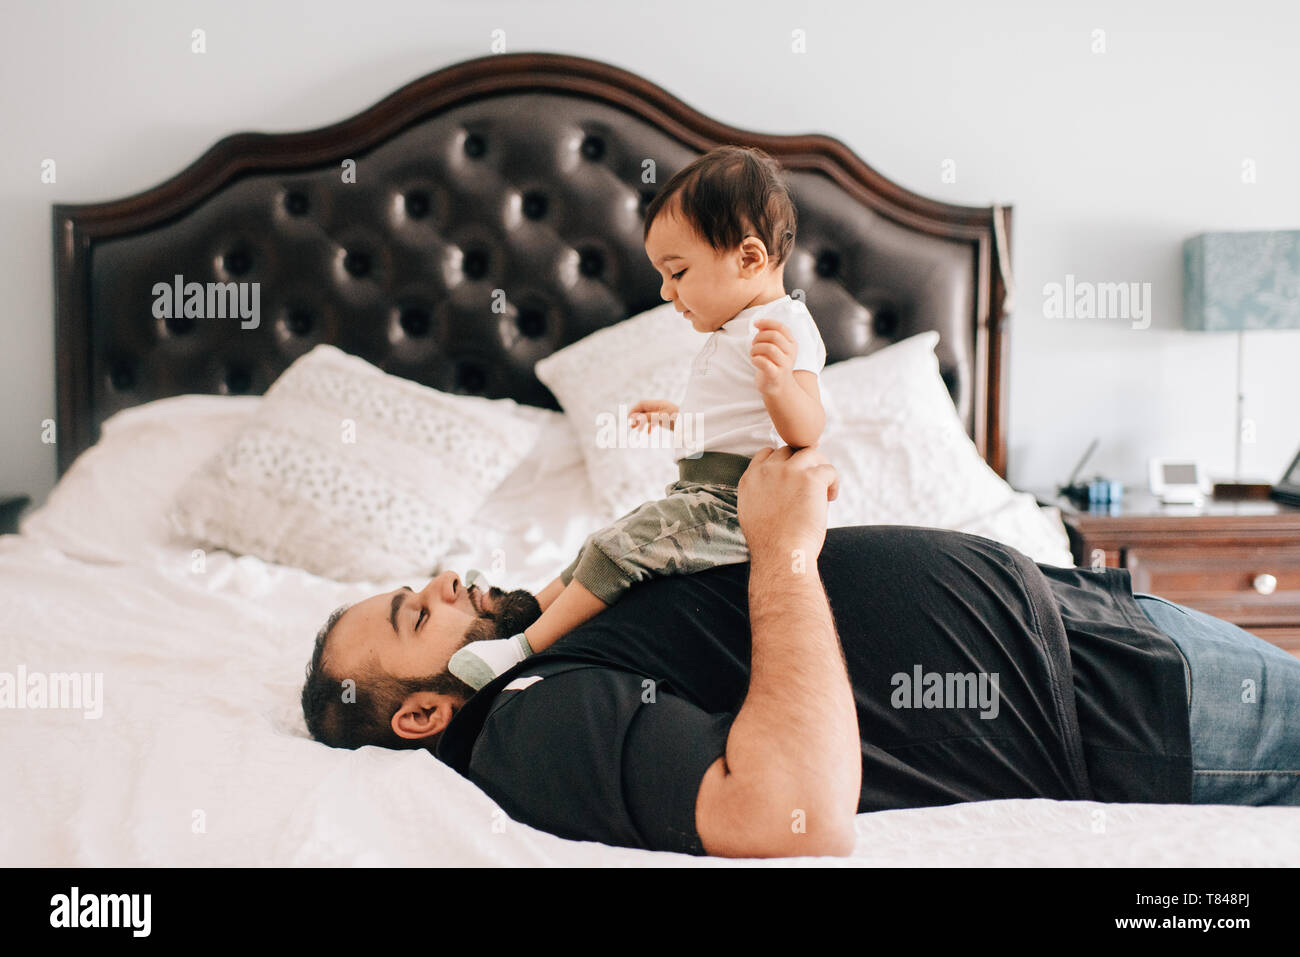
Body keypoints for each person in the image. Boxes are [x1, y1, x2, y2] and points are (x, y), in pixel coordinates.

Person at [300, 444, 1300, 859]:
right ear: (422, 712)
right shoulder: (528, 719)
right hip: (1113, 702)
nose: (436, 581)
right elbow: (786, 812)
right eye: (410, 617)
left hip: (1092, 630)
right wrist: (783, 553)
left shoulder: (558, 629)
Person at [445, 145, 828, 690]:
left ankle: (521, 654)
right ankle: (526, 609)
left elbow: (807, 431)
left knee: (616, 550)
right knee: (601, 541)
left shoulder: (784, 324)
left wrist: (780, 384)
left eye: (678, 272)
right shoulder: (732, 330)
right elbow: (735, 427)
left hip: (741, 508)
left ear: (749, 258)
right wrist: (681, 419)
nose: (667, 292)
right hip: (699, 491)